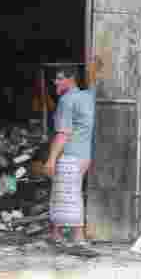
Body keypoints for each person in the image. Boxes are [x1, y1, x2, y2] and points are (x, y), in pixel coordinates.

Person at [43, 66, 95, 246]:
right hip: (84, 154)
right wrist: (96, 69)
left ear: (71, 78)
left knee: (69, 195)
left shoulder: (67, 100)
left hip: (70, 154)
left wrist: (51, 159)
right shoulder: (88, 96)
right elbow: (95, 83)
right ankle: (56, 234)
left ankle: (78, 236)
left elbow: (63, 134)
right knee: (64, 193)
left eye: (59, 78)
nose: (55, 82)